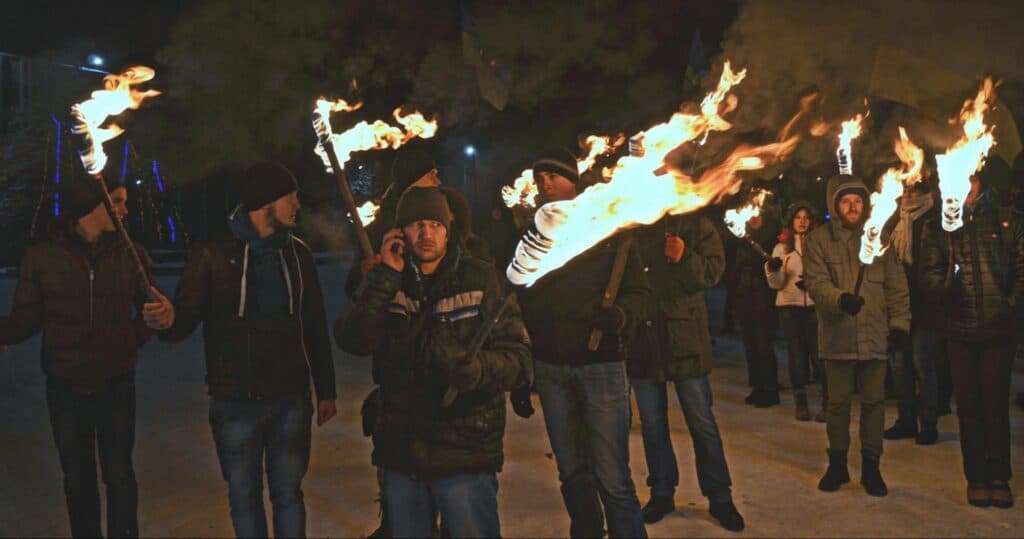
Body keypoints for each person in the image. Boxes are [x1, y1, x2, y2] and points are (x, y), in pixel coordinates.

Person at [334, 187, 532, 537]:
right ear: (400, 233)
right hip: (402, 447)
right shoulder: (387, 279)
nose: (427, 234)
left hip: (464, 449)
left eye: (435, 224)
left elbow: (519, 359)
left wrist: (478, 370)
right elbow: (353, 339)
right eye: (416, 225)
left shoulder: (481, 278)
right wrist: (384, 276)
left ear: (448, 230)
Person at [158, 163, 337, 537]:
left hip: (290, 399)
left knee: (288, 496)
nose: (298, 205)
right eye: (291, 197)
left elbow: (314, 324)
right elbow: (184, 319)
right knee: (244, 497)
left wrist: (326, 390)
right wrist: (166, 320)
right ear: (267, 202)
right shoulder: (212, 255)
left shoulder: (297, 255)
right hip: (235, 401)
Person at [0, 177, 170, 537]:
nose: (125, 210)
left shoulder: (130, 253)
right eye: (117, 201)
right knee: (77, 477)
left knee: (119, 474)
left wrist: (140, 332)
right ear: (92, 206)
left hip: (116, 382)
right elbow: (24, 320)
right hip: (66, 386)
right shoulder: (43, 257)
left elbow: (153, 309)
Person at [516, 149, 650, 538]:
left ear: (573, 182)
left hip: (600, 368)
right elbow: (519, 306)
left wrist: (621, 316)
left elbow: (640, 294)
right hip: (550, 368)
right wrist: (522, 372)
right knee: (572, 472)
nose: (545, 185)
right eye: (540, 179)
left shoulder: (607, 230)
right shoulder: (532, 238)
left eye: (553, 177)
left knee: (612, 476)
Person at [628, 212, 745, 532]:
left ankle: (720, 496)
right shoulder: (631, 222)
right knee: (652, 425)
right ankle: (661, 492)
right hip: (643, 340)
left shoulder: (694, 223)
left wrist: (684, 257)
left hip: (685, 339)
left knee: (702, 423)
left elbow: (712, 272)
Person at [919, 158, 1023, 508]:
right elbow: (929, 276)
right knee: (969, 407)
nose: (966, 186)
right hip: (960, 332)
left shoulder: (1006, 220)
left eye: (971, 179)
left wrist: (1009, 304)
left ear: (979, 182)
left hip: (998, 330)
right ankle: (977, 476)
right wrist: (946, 288)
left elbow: (1022, 269)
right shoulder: (937, 226)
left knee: (995, 406)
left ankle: (999, 476)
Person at [803, 174, 910, 497]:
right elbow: (816, 282)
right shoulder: (819, 240)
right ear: (835, 205)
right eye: (846, 201)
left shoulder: (881, 239)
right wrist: (840, 300)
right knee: (837, 404)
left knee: (874, 403)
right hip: (838, 335)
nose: (852, 207)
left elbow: (896, 286)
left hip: (875, 333)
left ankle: (871, 466)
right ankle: (837, 464)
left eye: (858, 201)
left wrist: (900, 325)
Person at [884, 179, 942, 444]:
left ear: (924, 192)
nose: (907, 194)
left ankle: (928, 423)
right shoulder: (894, 219)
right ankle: (905, 420)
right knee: (900, 367)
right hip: (898, 305)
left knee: (923, 366)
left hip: (924, 305)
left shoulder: (934, 219)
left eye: (913, 189)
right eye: (905, 189)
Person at [765, 201, 826, 421]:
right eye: (798, 217)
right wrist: (773, 270)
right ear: (791, 221)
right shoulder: (781, 248)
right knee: (796, 355)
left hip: (814, 306)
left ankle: (828, 402)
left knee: (819, 355)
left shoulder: (820, 245)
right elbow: (776, 284)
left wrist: (813, 283)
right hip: (789, 307)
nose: (802, 221)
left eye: (806, 217)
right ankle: (801, 403)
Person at [729, 210, 781, 407]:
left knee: (763, 344)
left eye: (757, 214)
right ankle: (757, 386)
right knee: (750, 344)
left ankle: (769, 389)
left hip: (764, 297)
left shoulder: (770, 236)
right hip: (744, 295)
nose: (753, 217)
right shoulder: (741, 235)